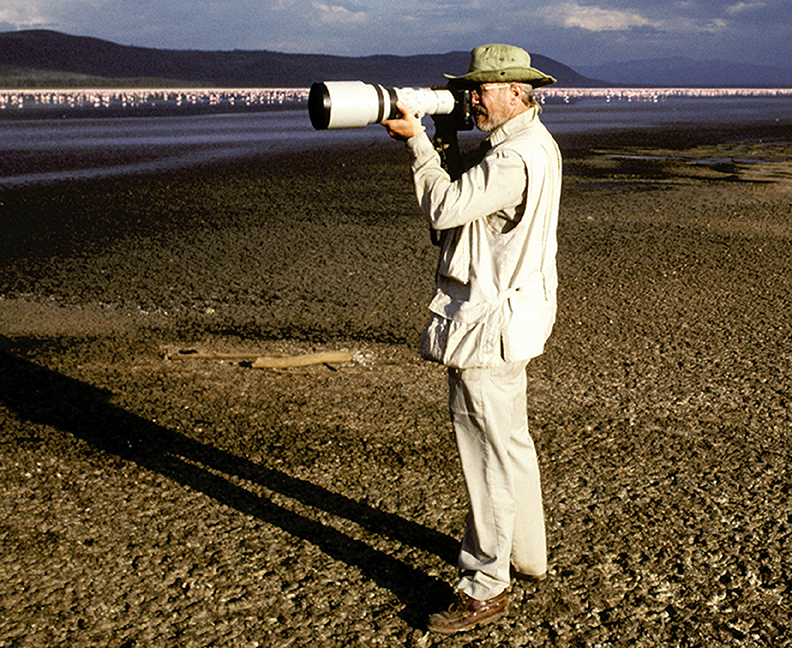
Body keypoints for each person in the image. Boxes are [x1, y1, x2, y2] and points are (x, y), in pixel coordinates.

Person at [382, 44, 562, 635]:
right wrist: (446, 141)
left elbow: (445, 206)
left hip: (487, 326)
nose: (472, 98)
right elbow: (473, 209)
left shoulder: (512, 160)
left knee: (486, 455)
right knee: (511, 443)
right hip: (514, 322)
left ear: (516, 91)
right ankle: (527, 557)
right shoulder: (534, 144)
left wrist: (417, 143)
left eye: (481, 89)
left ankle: (486, 585)